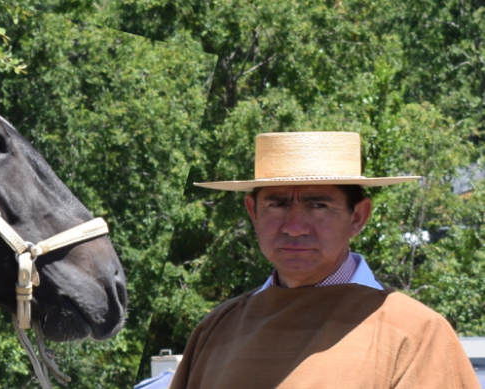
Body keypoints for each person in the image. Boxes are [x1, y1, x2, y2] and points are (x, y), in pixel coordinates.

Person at [168, 132, 480, 389]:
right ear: (253, 212)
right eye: (276, 204)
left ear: (358, 216)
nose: (294, 227)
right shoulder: (217, 330)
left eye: (318, 205)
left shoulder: (415, 336)